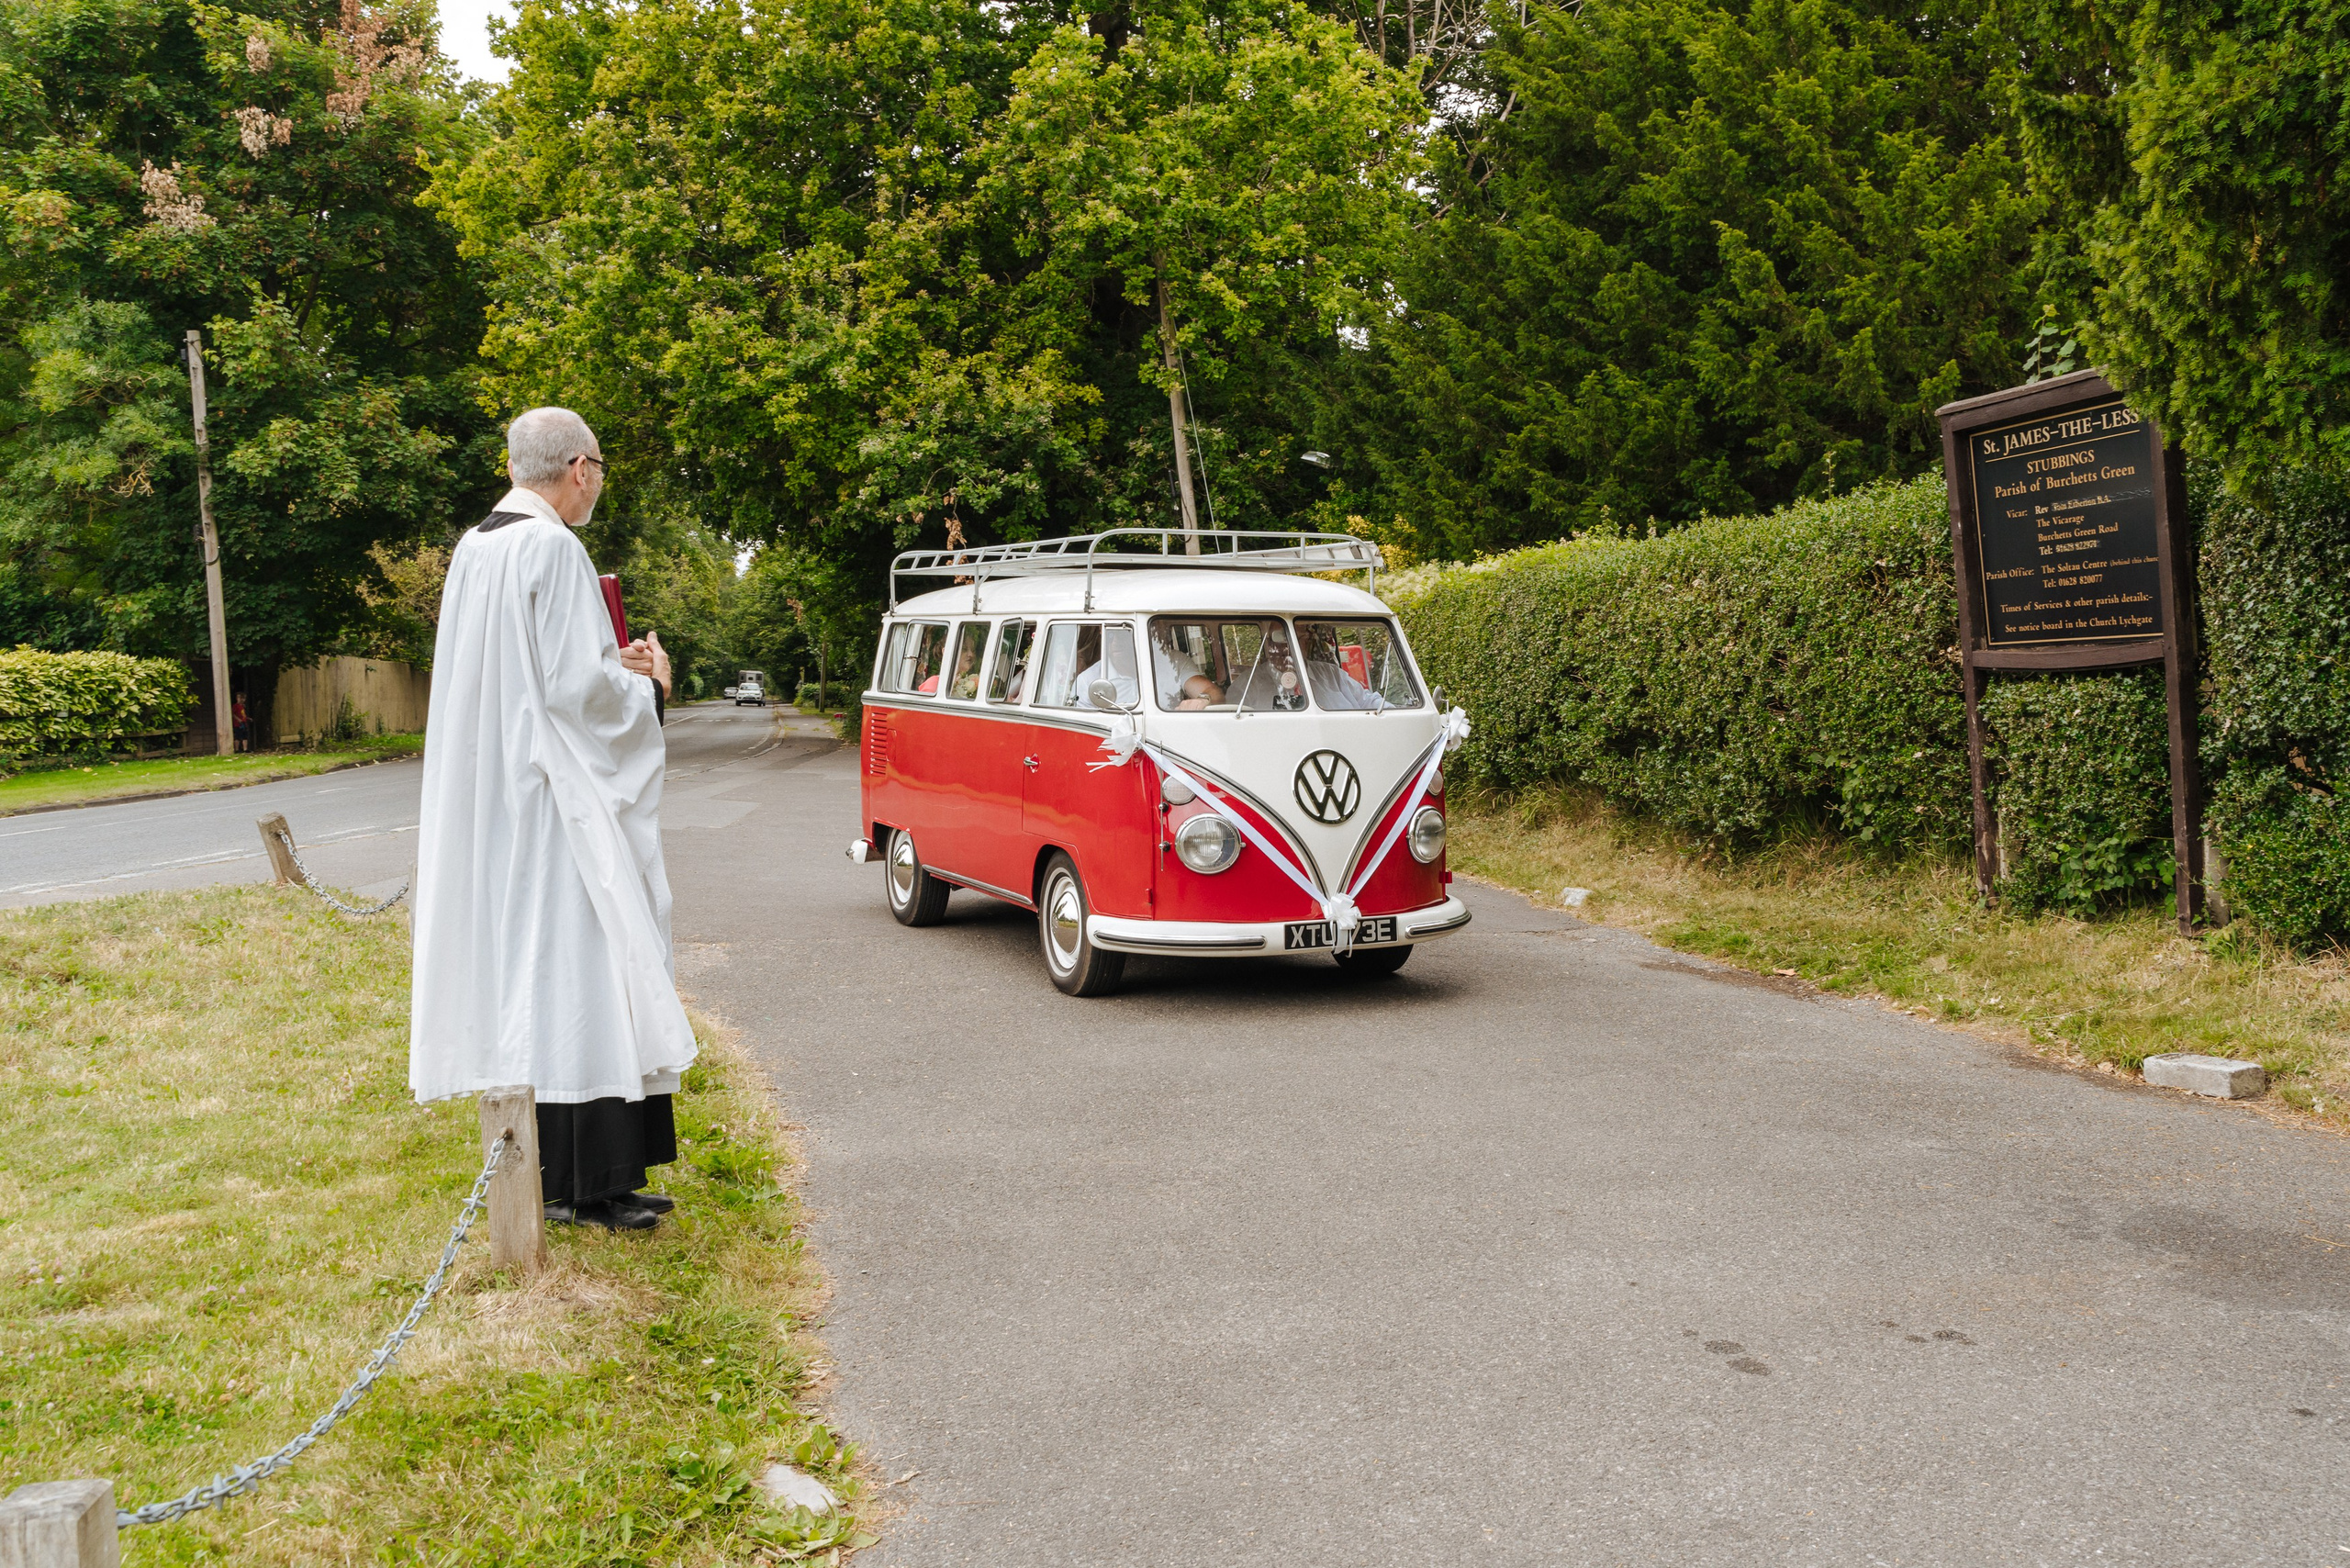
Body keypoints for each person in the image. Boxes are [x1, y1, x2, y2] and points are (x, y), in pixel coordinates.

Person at [408, 406, 693, 1234]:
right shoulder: (552, 548)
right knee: (584, 970)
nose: (599, 481)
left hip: (500, 789)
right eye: (599, 467)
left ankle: (571, 1174)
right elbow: (577, 693)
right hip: (557, 796)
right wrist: (649, 684)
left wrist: (612, 663)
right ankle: (589, 1183)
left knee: (538, 970)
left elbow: (531, 674)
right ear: (577, 467)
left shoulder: (476, 546)